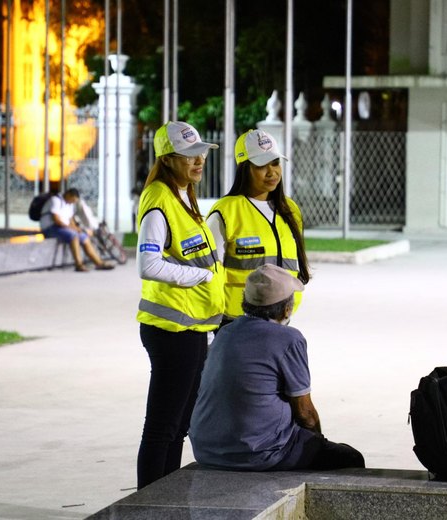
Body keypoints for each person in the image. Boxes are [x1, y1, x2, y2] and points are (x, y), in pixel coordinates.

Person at [189, 264, 365, 472]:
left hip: (206, 449)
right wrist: (317, 442)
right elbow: (305, 412)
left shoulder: (225, 333)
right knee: (350, 458)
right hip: (259, 453)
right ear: (286, 308)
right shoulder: (288, 338)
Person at [135, 121, 225, 489]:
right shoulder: (159, 201)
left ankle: (164, 497)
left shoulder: (182, 197)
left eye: (201, 152)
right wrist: (201, 278)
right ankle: (147, 505)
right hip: (172, 330)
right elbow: (148, 264)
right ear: (168, 158)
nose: (199, 159)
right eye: (189, 155)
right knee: (163, 428)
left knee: (178, 427)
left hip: (191, 328)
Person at [207, 129, 310, 324]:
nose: (272, 172)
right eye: (262, 165)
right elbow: (209, 274)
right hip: (236, 322)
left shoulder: (290, 209)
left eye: (275, 163)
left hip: (281, 319)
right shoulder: (226, 212)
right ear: (244, 168)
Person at [39, 187, 114, 272]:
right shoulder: (55, 200)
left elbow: (71, 221)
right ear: (68, 195)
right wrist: (73, 229)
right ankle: (79, 265)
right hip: (51, 228)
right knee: (74, 236)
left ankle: (99, 263)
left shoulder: (70, 205)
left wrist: (79, 229)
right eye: (73, 200)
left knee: (84, 237)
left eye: (74, 201)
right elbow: (56, 220)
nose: (73, 202)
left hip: (63, 228)